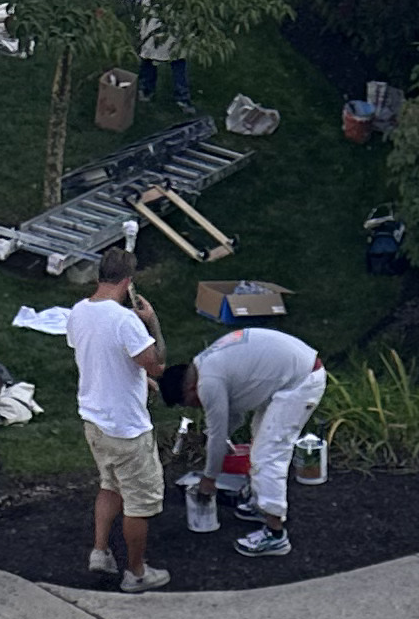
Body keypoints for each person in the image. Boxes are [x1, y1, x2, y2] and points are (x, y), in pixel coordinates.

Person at [167, 321, 327, 560]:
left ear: (190, 389)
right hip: (291, 372)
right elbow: (235, 418)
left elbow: (219, 434)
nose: (196, 407)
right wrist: (211, 439)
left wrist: (209, 479)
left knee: (268, 454)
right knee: (260, 439)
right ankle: (260, 504)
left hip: (301, 381)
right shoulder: (204, 364)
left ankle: (275, 534)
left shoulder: (208, 383)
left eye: (190, 403)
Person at [68, 250, 171, 592]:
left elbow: (103, 356)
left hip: (95, 424)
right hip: (127, 430)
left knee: (109, 485)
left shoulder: (79, 312)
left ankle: (100, 551)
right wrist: (151, 321)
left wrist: (142, 382)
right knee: (139, 503)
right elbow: (156, 363)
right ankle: (137, 573)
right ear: (128, 283)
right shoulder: (126, 321)